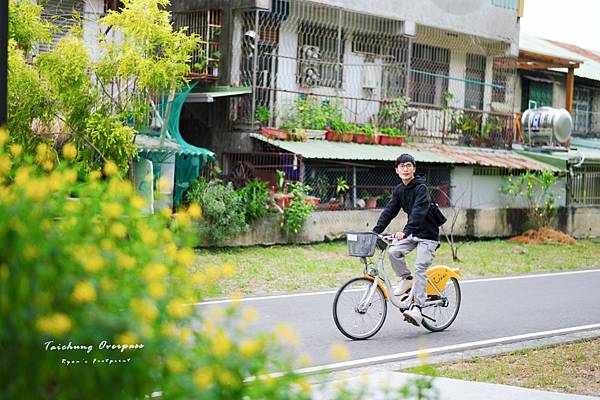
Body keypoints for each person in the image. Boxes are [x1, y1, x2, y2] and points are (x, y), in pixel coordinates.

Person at [372, 153, 440, 327]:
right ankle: (406, 279)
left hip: (428, 235)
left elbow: (418, 211)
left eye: (408, 165)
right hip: (413, 233)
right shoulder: (400, 190)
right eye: (401, 166)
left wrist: (406, 231)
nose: (405, 169)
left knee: (420, 267)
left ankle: (417, 307)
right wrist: (375, 231)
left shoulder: (421, 188)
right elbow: (389, 211)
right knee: (394, 251)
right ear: (396, 170)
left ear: (414, 169)